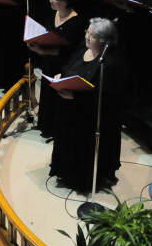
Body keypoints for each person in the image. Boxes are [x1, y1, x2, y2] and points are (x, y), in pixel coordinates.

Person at [48, 18, 124, 191]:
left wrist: (75, 97)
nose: (87, 37)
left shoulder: (110, 63)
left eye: (93, 35)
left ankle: (80, 180)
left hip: (88, 118)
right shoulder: (84, 48)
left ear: (105, 40)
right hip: (69, 111)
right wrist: (61, 75)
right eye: (87, 32)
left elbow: (107, 98)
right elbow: (70, 65)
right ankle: (64, 172)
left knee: (81, 149)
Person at [28, 0, 85, 138]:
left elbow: (69, 50)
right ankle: (44, 125)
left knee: (57, 99)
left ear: (65, 1)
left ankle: (55, 130)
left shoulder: (76, 22)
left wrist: (43, 50)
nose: (51, 0)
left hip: (63, 65)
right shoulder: (53, 14)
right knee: (46, 93)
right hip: (49, 62)